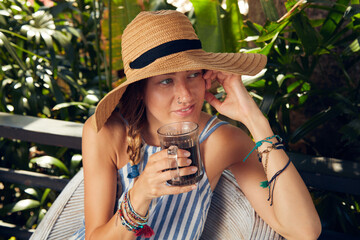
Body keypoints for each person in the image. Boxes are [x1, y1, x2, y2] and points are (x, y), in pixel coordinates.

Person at [72, 10, 321, 240]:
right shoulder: (106, 133)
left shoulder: (220, 142)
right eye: (166, 81)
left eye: (193, 75)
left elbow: (304, 230)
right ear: (139, 91)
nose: (186, 95)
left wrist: (254, 119)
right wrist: (140, 194)